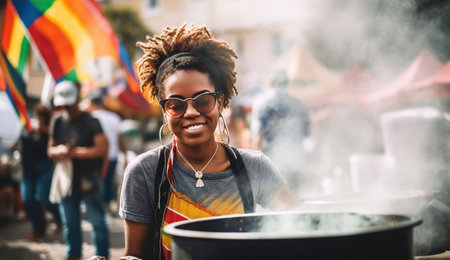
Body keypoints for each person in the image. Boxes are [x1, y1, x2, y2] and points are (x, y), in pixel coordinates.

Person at [119, 23, 297, 260]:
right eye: (176, 104)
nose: (191, 112)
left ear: (221, 101)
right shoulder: (145, 172)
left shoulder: (255, 167)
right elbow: (134, 255)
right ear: (164, 111)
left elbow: (299, 229)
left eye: (202, 100)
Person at [47, 80, 110, 260]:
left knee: (97, 222)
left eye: (69, 104)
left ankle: (101, 256)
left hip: (89, 178)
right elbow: (50, 150)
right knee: (70, 223)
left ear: (76, 100)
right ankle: (73, 255)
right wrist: (59, 150)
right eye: (63, 104)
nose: (66, 107)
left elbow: (102, 148)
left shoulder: (91, 121)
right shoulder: (57, 121)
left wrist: (74, 153)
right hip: (66, 180)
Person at [251, 70, 311, 191]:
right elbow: (307, 134)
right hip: (296, 161)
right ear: (287, 83)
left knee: (276, 204)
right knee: (295, 201)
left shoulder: (262, 104)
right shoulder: (300, 104)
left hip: (273, 164)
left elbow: (258, 137)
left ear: (271, 83)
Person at [19, 103, 62, 241]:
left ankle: (59, 218)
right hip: (27, 169)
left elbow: (57, 141)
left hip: (45, 167)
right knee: (28, 199)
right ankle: (38, 229)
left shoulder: (53, 126)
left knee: (43, 197)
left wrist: (44, 130)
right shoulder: (25, 126)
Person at [87, 89, 127, 214]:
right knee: (109, 181)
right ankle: (108, 205)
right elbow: (120, 139)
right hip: (112, 155)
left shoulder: (90, 118)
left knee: (98, 183)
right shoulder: (114, 117)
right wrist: (124, 154)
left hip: (96, 156)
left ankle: (100, 206)